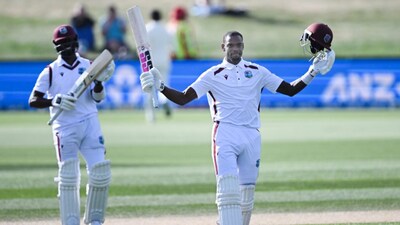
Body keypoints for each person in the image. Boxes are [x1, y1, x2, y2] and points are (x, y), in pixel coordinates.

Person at [140, 23, 335, 225]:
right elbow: (183, 98)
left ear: (243, 47)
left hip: (251, 134)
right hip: (225, 134)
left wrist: (312, 72)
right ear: (222, 47)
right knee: (227, 190)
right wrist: (161, 87)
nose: (235, 49)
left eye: (239, 45)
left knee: (247, 195)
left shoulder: (257, 71)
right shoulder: (212, 74)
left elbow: (290, 90)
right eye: (231, 45)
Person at [28, 24, 115, 225]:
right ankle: (70, 221)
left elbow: (98, 97)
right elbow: (33, 100)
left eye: (69, 42)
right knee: (68, 177)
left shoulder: (90, 65)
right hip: (65, 128)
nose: (66, 46)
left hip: (90, 123)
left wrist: (100, 83)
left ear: (76, 42)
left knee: (100, 172)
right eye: (61, 43)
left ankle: (94, 220)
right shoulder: (49, 71)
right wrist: (53, 101)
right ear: (56, 46)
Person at [145, 9, 174, 122]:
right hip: (164, 60)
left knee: (149, 88)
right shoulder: (166, 28)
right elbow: (172, 45)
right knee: (164, 85)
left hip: (151, 62)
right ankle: (164, 101)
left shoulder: (147, 29)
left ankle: (151, 117)